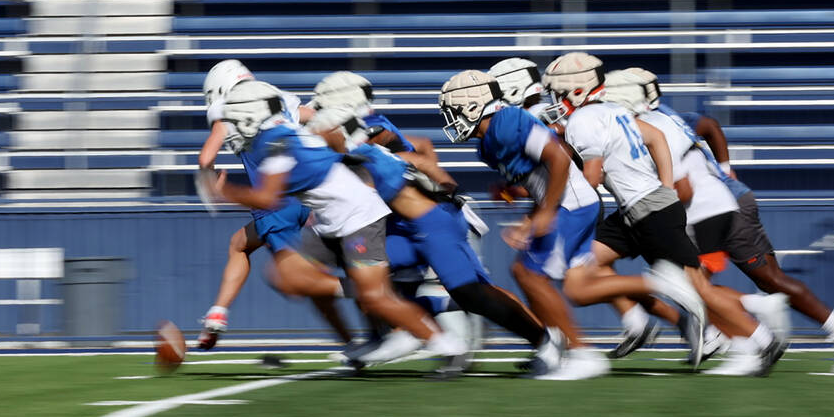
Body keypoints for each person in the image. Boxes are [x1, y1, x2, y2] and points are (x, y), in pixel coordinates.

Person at [203, 80, 470, 376]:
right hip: (331, 221)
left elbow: (268, 197)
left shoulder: (276, 142)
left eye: (235, 121)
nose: (232, 129)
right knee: (286, 276)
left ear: (251, 116)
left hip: (358, 219)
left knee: (375, 297)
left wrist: (222, 192)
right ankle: (370, 292)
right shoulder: (280, 135)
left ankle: (446, 342)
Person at [627, 68, 834, 373]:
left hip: (719, 205)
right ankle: (822, 328)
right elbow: (709, 127)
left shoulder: (656, 123)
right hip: (720, 203)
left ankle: (751, 337)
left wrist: (722, 170)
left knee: (701, 284)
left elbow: (702, 143)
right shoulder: (665, 117)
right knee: (758, 281)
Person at [309, 104, 572, 377]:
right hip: (411, 229)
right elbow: (420, 161)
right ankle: (401, 331)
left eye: (319, 134)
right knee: (369, 273)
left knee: (472, 293)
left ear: (336, 132)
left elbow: (365, 195)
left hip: (432, 225)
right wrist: (449, 188)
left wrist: (451, 197)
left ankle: (544, 340)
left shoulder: (358, 157)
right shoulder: (365, 153)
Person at [541, 51, 738, 371]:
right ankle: (640, 315)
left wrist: (558, 203)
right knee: (581, 271)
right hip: (640, 208)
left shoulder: (582, 119)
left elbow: (591, 175)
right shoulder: (612, 111)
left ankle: (757, 337)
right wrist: (665, 186)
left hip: (649, 210)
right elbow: (655, 138)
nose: (554, 98)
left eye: (558, 92)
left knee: (698, 287)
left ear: (577, 89)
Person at [605, 69, 788, 375]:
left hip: (701, 210)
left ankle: (754, 337)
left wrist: (648, 205)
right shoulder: (662, 118)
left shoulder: (650, 125)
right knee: (693, 285)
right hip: (711, 206)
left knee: (691, 286)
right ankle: (752, 328)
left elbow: (682, 187)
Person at [440, 68, 610, 379]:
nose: (450, 119)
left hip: (571, 204)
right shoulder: (487, 143)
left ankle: (580, 353)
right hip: (563, 204)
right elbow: (539, 182)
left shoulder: (508, 122)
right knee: (531, 274)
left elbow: (558, 158)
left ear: (473, 104)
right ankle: (560, 348)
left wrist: (545, 212)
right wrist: (531, 217)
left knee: (531, 276)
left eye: (453, 110)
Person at [194, 60, 351, 350]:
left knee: (296, 280)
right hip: (308, 197)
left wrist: (212, 182)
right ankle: (218, 312)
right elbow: (322, 119)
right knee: (239, 244)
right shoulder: (277, 98)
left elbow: (206, 158)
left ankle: (361, 290)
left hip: (274, 202)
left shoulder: (229, 107)